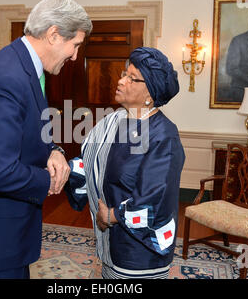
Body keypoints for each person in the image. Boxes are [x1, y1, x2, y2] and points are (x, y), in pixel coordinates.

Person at [0, 0, 92, 279]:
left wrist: (54, 150)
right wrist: (53, 182)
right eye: (75, 45)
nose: (75, 56)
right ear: (54, 34)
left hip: (11, 229)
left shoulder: (26, 68)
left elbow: (28, 129)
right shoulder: (7, 77)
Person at [65, 47, 185, 279]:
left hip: (139, 252)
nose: (121, 81)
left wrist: (111, 216)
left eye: (132, 78)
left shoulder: (164, 135)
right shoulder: (114, 121)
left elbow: (156, 199)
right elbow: (89, 160)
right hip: (111, 240)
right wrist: (60, 169)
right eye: (124, 73)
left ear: (150, 92)